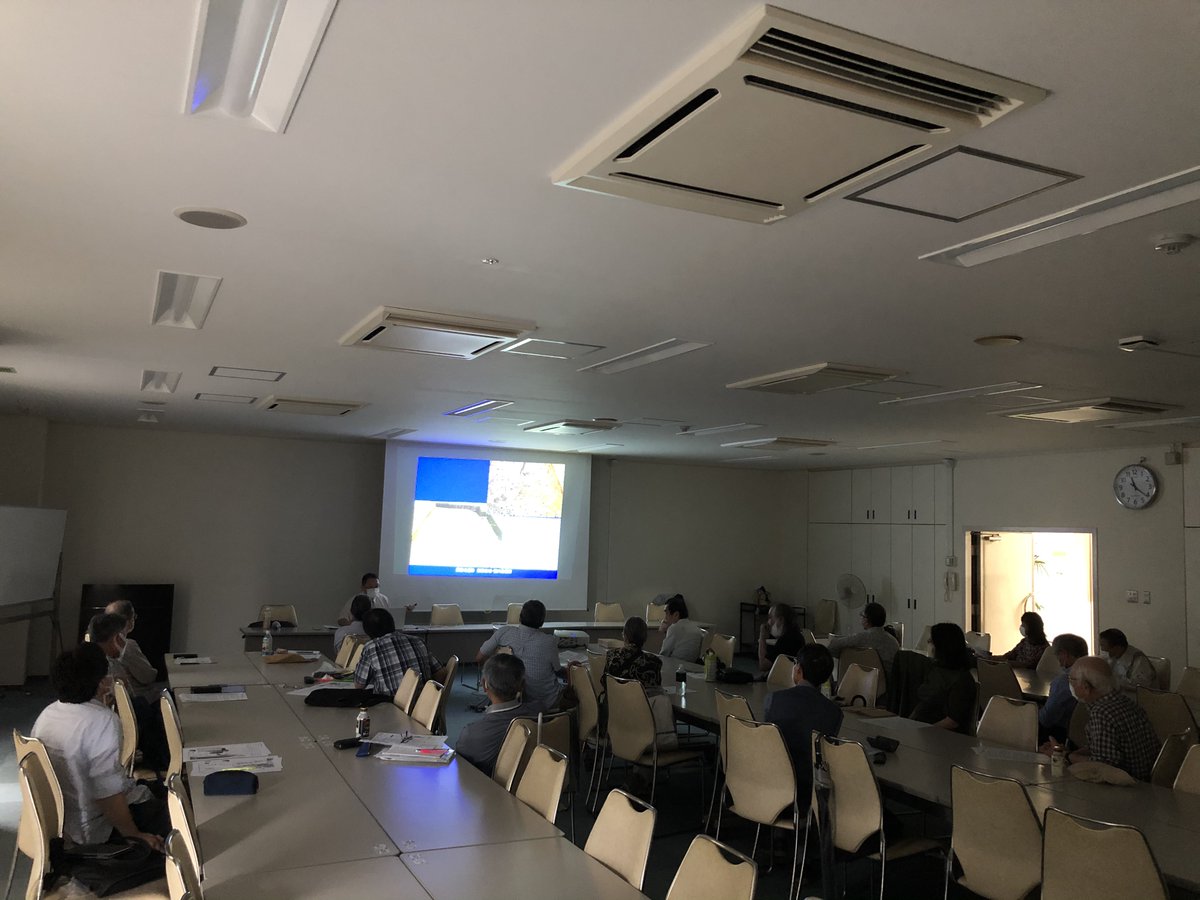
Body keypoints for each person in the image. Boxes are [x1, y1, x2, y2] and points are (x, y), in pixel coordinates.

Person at [31, 643, 169, 850]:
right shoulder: (103, 721)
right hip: (97, 828)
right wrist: (134, 835)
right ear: (101, 682)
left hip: (62, 824)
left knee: (155, 793)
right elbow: (107, 793)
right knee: (185, 815)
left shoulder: (47, 715)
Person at [1040, 656, 1160, 781]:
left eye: (1072, 680)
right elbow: (1104, 748)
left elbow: (1103, 766)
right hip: (1145, 779)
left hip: (1130, 784)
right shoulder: (1126, 702)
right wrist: (1070, 753)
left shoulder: (1102, 713)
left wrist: (1064, 756)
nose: (1070, 684)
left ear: (1086, 687)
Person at [88, 613, 168, 771]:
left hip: (117, 723)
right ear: (117, 638)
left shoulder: (95, 657)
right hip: (123, 724)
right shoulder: (108, 665)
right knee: (153, 708)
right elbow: (148, 678)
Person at [763, 643, 844, 799]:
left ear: (798, 669)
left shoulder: (773, 699)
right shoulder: (834, 712)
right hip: (810, 789)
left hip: (771, 780)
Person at [455, 654, 540, 777]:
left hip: (490, 787)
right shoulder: (541, 713)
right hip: (535, 781)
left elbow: (461, 771)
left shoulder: (471, 734)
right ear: (522, 685)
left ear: (484, 684)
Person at [477, 600, 564, 711]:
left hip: (513, 701)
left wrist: (493, 676)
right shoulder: (549, 642)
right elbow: (557, 670)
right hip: (547, 701)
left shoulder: (503, 632)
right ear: (542, 621)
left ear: (520, 617)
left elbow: (480, 657)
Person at [354, 608, 442, 695]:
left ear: (368, 631)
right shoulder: (418, 641)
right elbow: (440, 672)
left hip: (390, 702)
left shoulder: (371, 648)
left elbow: (359, 685)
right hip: (424, 701)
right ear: (392, 623)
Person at [910, 623, 977, 733]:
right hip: (922, 730)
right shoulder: (937, 670)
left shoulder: (961, 681)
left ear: (942, 646)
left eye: (931, 641)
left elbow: (953, 721)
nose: (928, 643)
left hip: (941, 736)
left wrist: (922, 731)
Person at [102, 600, 160, 701]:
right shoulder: (127, 645)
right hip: (140, 700)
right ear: (129, 621)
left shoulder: (100, 643)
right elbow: (148, 677)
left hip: (117, 701)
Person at [826, 602, 900, 675]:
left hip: (861, 680)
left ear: (867, 620)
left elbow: (832, 646)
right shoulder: (893, 641)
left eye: (862, 615)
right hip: (889, 681)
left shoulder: (861, 638)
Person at [1039, 633, 1088, 743]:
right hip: (1086, 735)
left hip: (1061, 735)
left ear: (1063, 654)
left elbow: (1046, 719)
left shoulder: (1064, 682)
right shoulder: (1098, 676)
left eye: (1057, 655)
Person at [603, 616, 662, 688]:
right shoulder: (653, 661)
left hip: (614, 695)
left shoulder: (611, 655)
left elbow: (604, 682)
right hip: (640, 695)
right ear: (645, 638)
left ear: (625, 636)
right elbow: (656, 689)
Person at [337, 572, 416, 625]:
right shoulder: (355, 600)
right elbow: (341, 620)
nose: (374, 589)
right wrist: (354, 626)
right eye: (370, 587)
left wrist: (402, 611)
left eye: (376, 586)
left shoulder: (384, 599)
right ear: (363, 587)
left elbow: (390, 616)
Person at [1098, 628, 1157, 692]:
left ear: (1118, 647)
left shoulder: (1139, 660)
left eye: (1104, 646)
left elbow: (1141, 686)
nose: (1102, 649)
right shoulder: (1110, 656)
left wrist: (1112, 681)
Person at [758, 603, 806, 673]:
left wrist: (762, 636)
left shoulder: (786, 640)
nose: (769, 622)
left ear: (781, 619)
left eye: (771, 618)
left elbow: (763, 665)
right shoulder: (795, 635)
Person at [658, 594, 704, 662]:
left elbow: (664, 654)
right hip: (692, 666)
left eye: (666, 613)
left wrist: (664, 631)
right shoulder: (697, 629)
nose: (665, 617)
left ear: (676, 614)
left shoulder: (674, 628)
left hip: (674, 665)